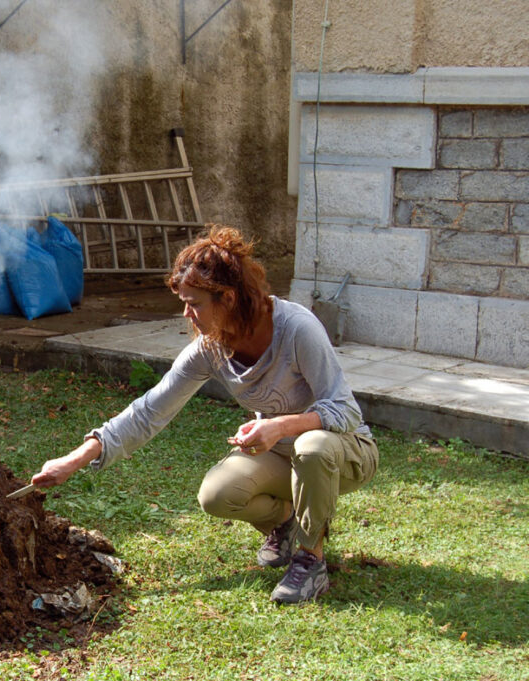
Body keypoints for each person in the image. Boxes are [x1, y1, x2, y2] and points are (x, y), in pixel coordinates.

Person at [31, 224, 378, 604]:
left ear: (227, 298)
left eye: (194, 304)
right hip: (283, 453)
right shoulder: (211, 347)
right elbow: (149, 410)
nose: (186, 314)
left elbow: (344, 409)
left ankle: (311, 560)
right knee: (218, 494)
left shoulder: (296, 329)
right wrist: (74, 460)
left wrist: (280, 426)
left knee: (312, 447)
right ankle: (285, 522)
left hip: (344, 451)